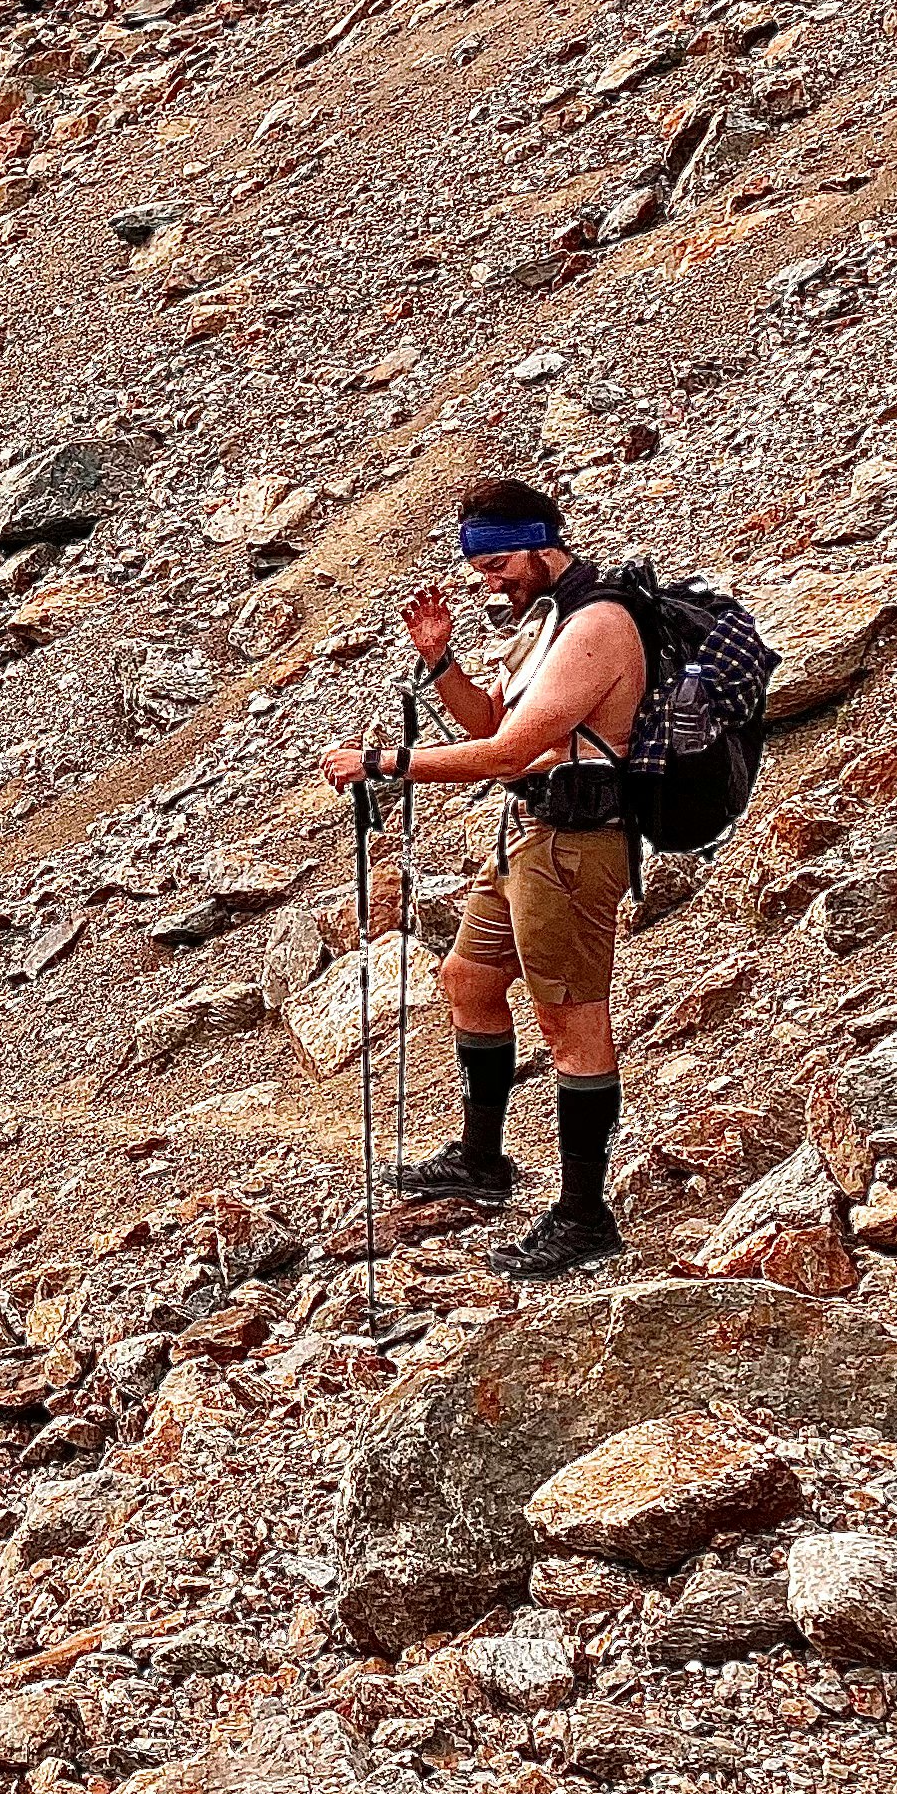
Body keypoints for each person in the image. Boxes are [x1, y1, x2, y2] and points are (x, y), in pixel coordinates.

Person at [320, 473, 648, 1279]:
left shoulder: (599, 625)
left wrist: (384, 765)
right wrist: (441, 663)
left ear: (540, 545)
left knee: (572, 1024)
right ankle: (482, 1159)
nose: (486, 582)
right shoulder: (545, 623)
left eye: (497, 565)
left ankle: (583, 1214)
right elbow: (494, 723)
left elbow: (503, 755)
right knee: (468, 978)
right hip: (529, 834)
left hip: (576, 842)